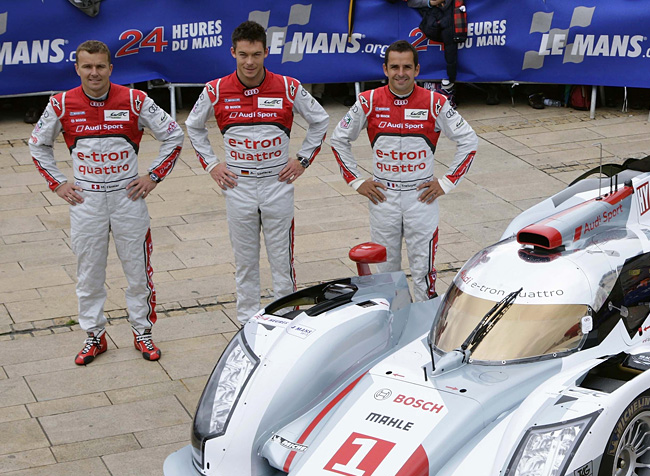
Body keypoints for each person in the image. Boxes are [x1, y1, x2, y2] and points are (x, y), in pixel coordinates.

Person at [29, 40, 183, 365]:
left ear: (111, 68)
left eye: (100, 66)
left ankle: (142, 332)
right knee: (88, 274)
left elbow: (173, 134)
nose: (94, 72)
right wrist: (57, 184)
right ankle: (94, 336)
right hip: (86, 201)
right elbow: (37, 145)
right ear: (77, 68)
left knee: (138, 272)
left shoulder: (134, 98)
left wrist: (153, 176)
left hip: (128, 198)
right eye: (87, 66)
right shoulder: (61, 103)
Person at [185, 21, 330, 323]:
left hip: (278, 182)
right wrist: (212, 165)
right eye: (243, 55)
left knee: (282, 261)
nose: (249, 62)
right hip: (238, 185)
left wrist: (302, 160)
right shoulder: (215, 89)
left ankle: (287, 320)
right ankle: (247, 323)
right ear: (233, 53)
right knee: (246, 262)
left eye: (255, 54)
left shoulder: (288, 86)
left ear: (266, 52)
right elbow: (193, 126)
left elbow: (320, 120)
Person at [331, 40, 478, 302]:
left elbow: (469, 141)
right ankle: (393, 324)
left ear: (417, 70)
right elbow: (338, 139)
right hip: (383, 198)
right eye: (395, 67)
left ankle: (422, 327)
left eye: (407, 67)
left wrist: (446, 183)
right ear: (385, 69)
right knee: (385, 271)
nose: (401, 73)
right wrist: (355, 180)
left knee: (423, 271)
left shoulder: (435, 102)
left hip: (420, 198)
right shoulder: (368, 101)